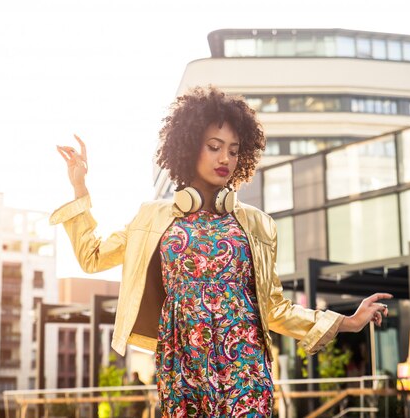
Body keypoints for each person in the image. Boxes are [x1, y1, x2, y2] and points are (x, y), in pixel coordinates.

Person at [51, 85, 392, 417]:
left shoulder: (257, 224)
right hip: (183, 364)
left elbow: (273, 308)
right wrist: (79, 186)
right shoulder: (151, 218)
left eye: (233, 149)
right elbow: (92, 256)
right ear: (188, 146)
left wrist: (346, 322)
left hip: (245, 365)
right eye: (214, 146)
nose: (225, 158)